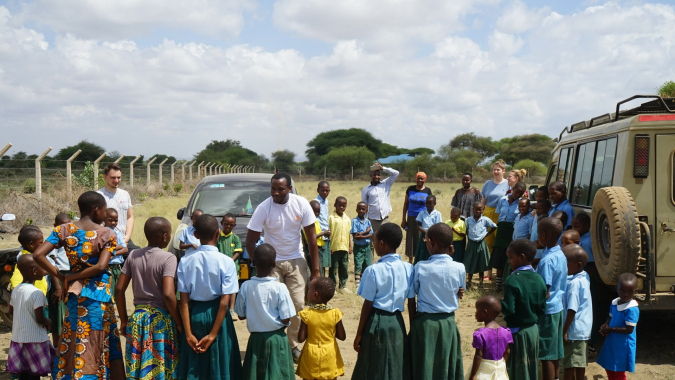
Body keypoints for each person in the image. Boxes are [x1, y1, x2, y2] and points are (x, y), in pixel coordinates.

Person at [34, 191, 125, 379]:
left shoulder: (63, 230)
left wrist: (62, 276)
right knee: (97, 340)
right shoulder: (107, 233)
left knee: (76, 337)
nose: (105, 214)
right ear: (96, 210)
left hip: (75, 296)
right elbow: (101, 266)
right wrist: (68, 277)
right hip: (98, 296)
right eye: (104, 210)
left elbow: (38, 255)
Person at [245, 172, 320, 361]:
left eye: (280, 189)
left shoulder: (301, 204)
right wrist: (260, 266)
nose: (276, 193)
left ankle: (292, 344)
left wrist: (316, 272)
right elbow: (249, 242)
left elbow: (312, 240)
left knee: (297, 304)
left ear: (290, 189)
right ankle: (275, 343)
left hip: (296, 260)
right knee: (272, 305)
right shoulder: (264, 208)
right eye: (273, 189)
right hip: (273, 264)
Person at [115, 217, 181, 380]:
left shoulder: (133, 255)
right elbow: (168, 293)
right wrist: (178, 322)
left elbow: (119, 289)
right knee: (161, 366)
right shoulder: (168, 258)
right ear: (164, 236)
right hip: (160, 321)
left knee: (139, 366)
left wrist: (124, 320)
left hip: (138, 319)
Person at [177, 214, 241, 379]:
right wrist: (213, 334)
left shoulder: (185, 262)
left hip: (194, 315)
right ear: (218, 233)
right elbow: (224, 304)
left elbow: (183, 301)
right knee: (220, 362)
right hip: (218, 318)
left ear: (196, 235)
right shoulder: (227, 262)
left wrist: (188, 333)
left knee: (194, 364)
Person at [352, 223, 413, 380]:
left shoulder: (372, 270)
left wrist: (359, 334)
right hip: (397, 322)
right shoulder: (409, 269)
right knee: (396, 363)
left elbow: (368, 304)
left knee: (372, 364)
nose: (373, 243)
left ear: (381, 244)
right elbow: (412, 302)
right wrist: (411, 331)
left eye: (374, 240)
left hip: (376, 322)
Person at [408, 223, 465, 380]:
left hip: (425, 324)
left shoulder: (420, 267)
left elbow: (412, 298)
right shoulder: (460, 267)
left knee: (424, 366)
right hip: (448, 323)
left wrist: (413, 325)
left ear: (431, 242)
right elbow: (459, 290)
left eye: (426, 240)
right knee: (446, 365)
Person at [235, 244, 296, 380]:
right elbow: (286, 319)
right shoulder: (280, 288)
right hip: (277, 340)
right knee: (279, 374)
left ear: (253, 263)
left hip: (256, 340)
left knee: (256, 374)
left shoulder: (245, 286)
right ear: (274, 264)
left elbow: (240, 315)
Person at [501, 239, 547, 380]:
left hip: (517, 333)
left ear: (521, 257)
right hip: (533, 332)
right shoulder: (539, 279)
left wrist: (497, 304)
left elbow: (509, 309)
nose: (509, 261)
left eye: (510, 257)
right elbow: (542, 309)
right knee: (530, 367)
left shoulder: (512, 280)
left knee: (517, 369)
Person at [6, 254, 54, 380]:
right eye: (43, 268)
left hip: (19, 338)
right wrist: (48, 321)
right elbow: (40, 319)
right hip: (35, 340)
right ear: (34, 271)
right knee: (34, 374)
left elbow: (11, 311)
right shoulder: (37, 293)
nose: (45, 271)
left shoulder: (16, 290)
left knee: (23, 373)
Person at [536, 217, 568, 380]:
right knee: (554, 351)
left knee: (546, 354)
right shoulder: (560, 253)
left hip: (547, 311)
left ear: (542, 234)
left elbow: (545, 291)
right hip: (558, 308)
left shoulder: (547, 260)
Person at [296, 277, 346, 380]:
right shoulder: (335, 314)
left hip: (311, 354)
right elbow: (342, 336)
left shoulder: (306, 314)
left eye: (309, 289)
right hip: (330, 354)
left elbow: (300, 339)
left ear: (315, 295)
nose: (307, 291)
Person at [596, 273, 639, 380]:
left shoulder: (632, 309)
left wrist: (610, 329)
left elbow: (629, 330)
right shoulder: (615, 303)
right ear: (617, 289)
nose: (626, 294)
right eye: (622, 291)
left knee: (618, 369)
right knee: (609, 365)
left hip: (624, 344)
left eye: (630, 292)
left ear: (635, 291)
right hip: (612, 341)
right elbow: (610, 317)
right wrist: (606, 324)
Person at [562, 244, 592, 380]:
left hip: (573, 331)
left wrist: (564, 331)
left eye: (566, 264)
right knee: (580, 362)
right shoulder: (585, 276)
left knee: (570, 364)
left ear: (578, 265)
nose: (563, 267)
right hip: (583, 330)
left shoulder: (574, 283)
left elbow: (572, 309)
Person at [490, 182, 526, 291]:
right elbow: (499, 214)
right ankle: (497, 285)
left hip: (511, 230)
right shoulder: (502, 200)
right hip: (501, 229)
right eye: (516, 191)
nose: (517, 194)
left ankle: (506, 283)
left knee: (509, 256)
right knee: (499, 256)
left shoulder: (521, 203)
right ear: (512, 189)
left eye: (520, 193)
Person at [466, 296, 512, 380]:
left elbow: (479, 355)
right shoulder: (506, 332)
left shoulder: (480, 334)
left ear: (484, 312)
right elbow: (508, 351)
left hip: (484, 371)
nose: (475, 313)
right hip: (500, 370)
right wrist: (500, 364)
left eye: (477, 310)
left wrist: (473, 375)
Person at [98, 163, 138, 250]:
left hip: (124, 239)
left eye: (119, 177)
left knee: (139, 255)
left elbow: (130, 217)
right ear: (105, 177)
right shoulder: (99, 196)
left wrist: (127, 237)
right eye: (113, 177)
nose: (116, 180)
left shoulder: (125, 194)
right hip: (106, 241)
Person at [47, 212, 71, 347]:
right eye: (62, 226)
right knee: (58, 315)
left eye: (69, 225)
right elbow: (51, 264)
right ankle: (57, 347)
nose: (65, 229)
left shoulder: (72, 238)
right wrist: (57, 287)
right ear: (55, 226)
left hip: (71, 277)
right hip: (59, 278)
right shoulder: (55, 239)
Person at [361, 163, 400, 246]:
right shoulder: (366, 190)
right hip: (372, 221)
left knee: (386, 243)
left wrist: (383, 168)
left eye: (378, 175)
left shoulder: (386, 184)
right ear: (370, 176)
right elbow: (364, 207)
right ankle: (371, 259)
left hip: (385, 220)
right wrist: (364, 223)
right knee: (371, 244)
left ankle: (385, 259)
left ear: (380, 176)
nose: (376, 177)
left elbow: (396, 173)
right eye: (374, 175)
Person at [464, 202, 497, 288]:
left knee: (481, 262)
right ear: (473, 209)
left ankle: (481, 282)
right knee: (470, 262)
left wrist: (487, 234)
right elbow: (466, 229)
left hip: (481, 243)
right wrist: (469, 235)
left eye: (480, 209)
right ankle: (469, 281)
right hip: (471, 243)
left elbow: (494, 226)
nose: (478, 211)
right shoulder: (468, 220)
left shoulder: (485, 220)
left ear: (483, 210)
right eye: (476, 209)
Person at [401, 172, 432, 263]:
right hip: (411, 216)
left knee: (421, 237)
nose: (420, 180)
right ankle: (410, 259)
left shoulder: (427, 190)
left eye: (422, 178)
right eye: (418, 178)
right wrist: (404, 219)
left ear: (425, 180)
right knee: (411, 238)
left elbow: (430, 205)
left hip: (423, 217)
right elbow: (405, 204)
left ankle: (420, 258)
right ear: (415, 179)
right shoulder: (410, 189)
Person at [481, 160, 510, 256]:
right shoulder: (487, 183)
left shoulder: (508, 183)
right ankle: (488, 267)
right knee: (488, 239)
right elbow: (483, 199)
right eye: (494, 170)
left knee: (499, 240)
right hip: (488, 213)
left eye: (498, 170)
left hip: (501, 214)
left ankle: (498, 266)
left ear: (503, 171)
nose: (496, 172)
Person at [217, 213, 243, 319]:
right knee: (220, 286)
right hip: (219, 267)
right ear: (222, 223)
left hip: (232, 267)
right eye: (226, 224)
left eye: (231, 225)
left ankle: (232, 310)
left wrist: (230, 261)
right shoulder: (217, 237)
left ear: (234, 226)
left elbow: (237, 252)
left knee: (233, 288)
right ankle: (221, 308)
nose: (228, 226)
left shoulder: (235, 238)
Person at [329, 196, 352, 291]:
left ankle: (343, 286)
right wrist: (329, 247)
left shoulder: (347, 219)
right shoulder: (331, 218)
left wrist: (350, 246)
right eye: (339, 205)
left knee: (344, 267)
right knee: (333, 268)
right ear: (335, 205)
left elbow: (348, 233)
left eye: (344, 205)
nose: (341, 207)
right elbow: (328, 234)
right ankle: (332, 286)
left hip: (344, 247)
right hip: (334, 247)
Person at [104, 208, 129, 299]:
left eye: (116, 220)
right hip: (107, 268)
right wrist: (116, 247)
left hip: (117, 267)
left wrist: (112, 253)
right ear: (104, 219)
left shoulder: (117, 233)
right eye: (110, 220)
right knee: (108, 291)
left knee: (117, 290)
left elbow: (125, 249)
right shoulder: (102, 232)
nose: (113, 223)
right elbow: (104, 248)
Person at [304, 201, 329, 277]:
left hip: (320, 248)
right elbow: (311, 237)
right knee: (316, 269)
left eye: (318, 211)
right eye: (315, 212)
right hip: (313, 249)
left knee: (321, 268)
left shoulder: (316, 221)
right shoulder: (308, 223)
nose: (317, 214)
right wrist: (323, 233)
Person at [414, 195, 442, 263]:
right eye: (427, 203)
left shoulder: (437, 214)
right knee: (422, 251)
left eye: (430, 203)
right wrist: (426, 232)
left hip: (433, 236)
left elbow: (438, 226)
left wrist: (430, 233)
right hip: (424, 235)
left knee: (431, 251)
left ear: (435, 203)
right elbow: (418, 226)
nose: (428, 205)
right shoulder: (422, 213)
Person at [351, 202, 373, 286]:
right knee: (358, 263)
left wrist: (362, 235)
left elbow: (371, 234)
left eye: (363, 209)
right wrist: (366, 232)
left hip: (366, 246)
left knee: (367, 264)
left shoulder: (367, 221)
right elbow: (356, 236)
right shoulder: (354, 221)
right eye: (359, 209)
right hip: (358, 247)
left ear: (366, 211)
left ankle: (363, 282)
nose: (361, 210)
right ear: (356, 210)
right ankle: (357, 284)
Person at [315, 181, 332, 276]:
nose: (325, 192)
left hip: (326, 236)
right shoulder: (316, 203)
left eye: (327, 190)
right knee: (320, 262)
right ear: (318, 190)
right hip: (320, 236)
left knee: (325, 262)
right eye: (323, 190)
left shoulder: (326, 201)